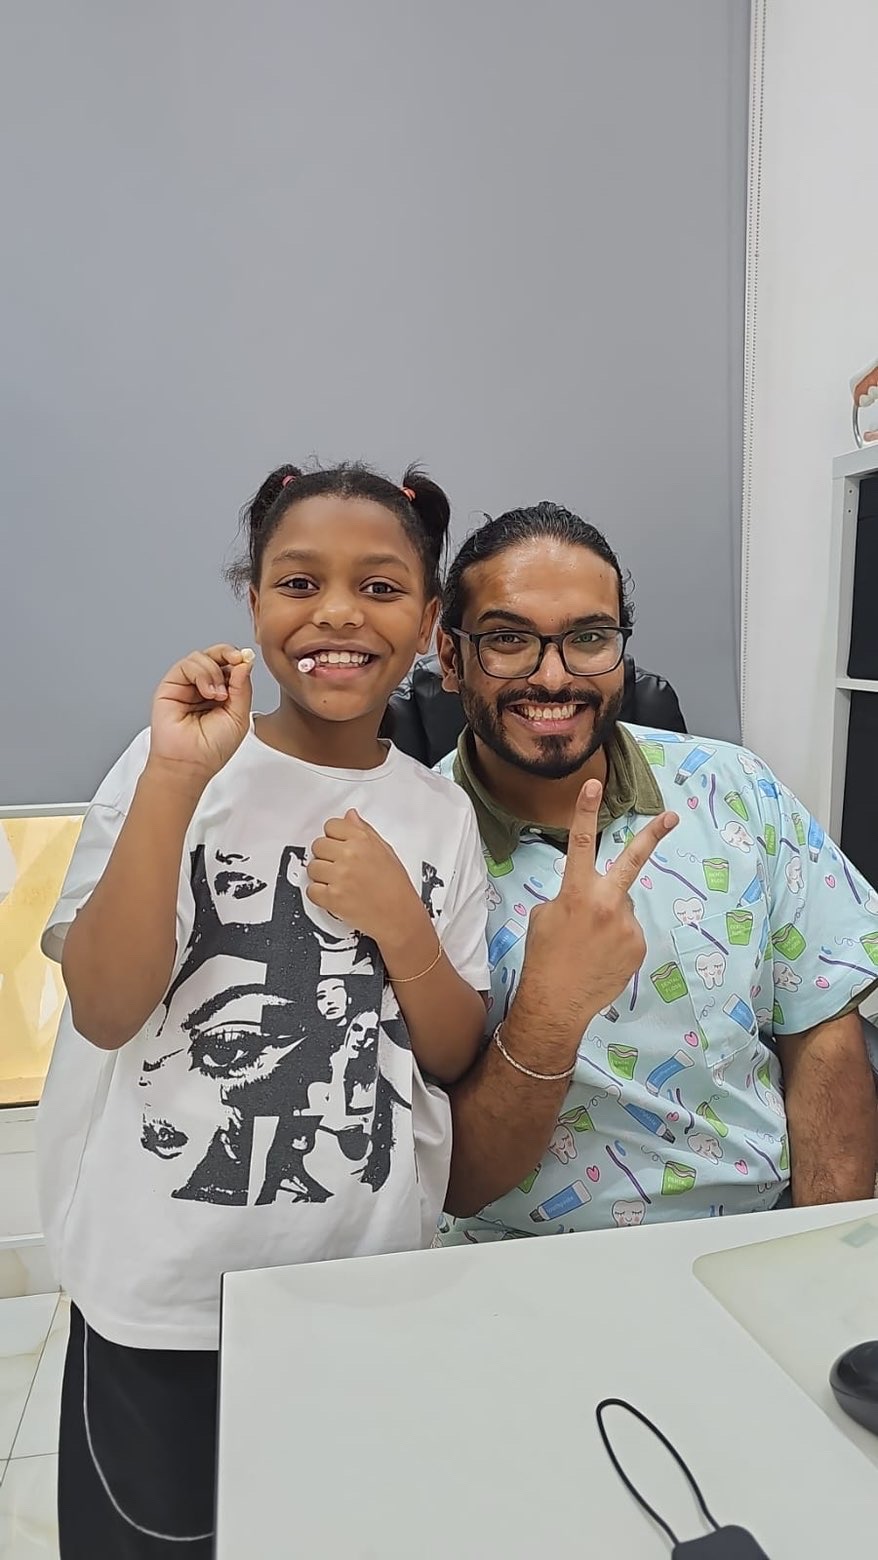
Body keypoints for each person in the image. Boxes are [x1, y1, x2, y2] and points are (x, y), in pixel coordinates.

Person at [37, 461, 495, 1557]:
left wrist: (402, 926)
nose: (336, 613)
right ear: (252, 604)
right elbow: (103, 1008)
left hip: (362, 1283)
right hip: (170, 1295)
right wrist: (172, 782)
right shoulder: (172, 772)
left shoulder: (437, 815)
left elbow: (448, 1052)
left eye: (380, 588)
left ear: (430, 622)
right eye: (299, 582)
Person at [434, 501, 878, 1242]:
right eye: (509, 640)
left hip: (752, 1235)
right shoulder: (410, 841)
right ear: (451, 659)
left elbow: (820, 1030)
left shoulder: (733, 786)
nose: (554, 676)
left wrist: (823, 1257)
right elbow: (453, 1179)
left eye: (590, 638)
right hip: (509, 1259)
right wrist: (552, 1005)